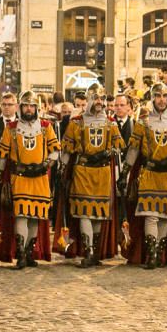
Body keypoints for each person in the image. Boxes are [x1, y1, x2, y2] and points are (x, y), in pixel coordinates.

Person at [121, 82, 167, 269]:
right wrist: (125, 172)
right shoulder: (143, 123)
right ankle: (151, 254)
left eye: (165, 96)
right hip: (150, 173)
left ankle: (159, 253)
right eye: (158, 96)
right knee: (151, 215)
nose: (162, 99)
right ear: (152, 98)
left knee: (165, 215)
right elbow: (134, 149)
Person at [58, 83, 125, 267]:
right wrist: (62, 169)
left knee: (99, 213)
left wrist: (109, 153)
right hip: (83, 171)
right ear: (88, 100)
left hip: (102, 172)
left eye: (101, 99)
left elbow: (118, 147)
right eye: (95, 98)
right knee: (84, 212)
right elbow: (67, 149)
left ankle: (94, 251)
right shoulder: (77, 122)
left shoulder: (110, 123)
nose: (99, 102)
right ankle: (89, 250)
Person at [0, 90, 59, 269]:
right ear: (20, 107)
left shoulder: (46, 126)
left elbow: (55, 150)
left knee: (35, 217)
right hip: (20, 177)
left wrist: (46, 163)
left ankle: (30, 253)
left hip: (40, 177)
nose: (29, 109)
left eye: (32, 106)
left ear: (37, 108)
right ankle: (21, 254)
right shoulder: (12, 128)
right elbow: (2, 156)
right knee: (22, 215)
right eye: (26, 106)